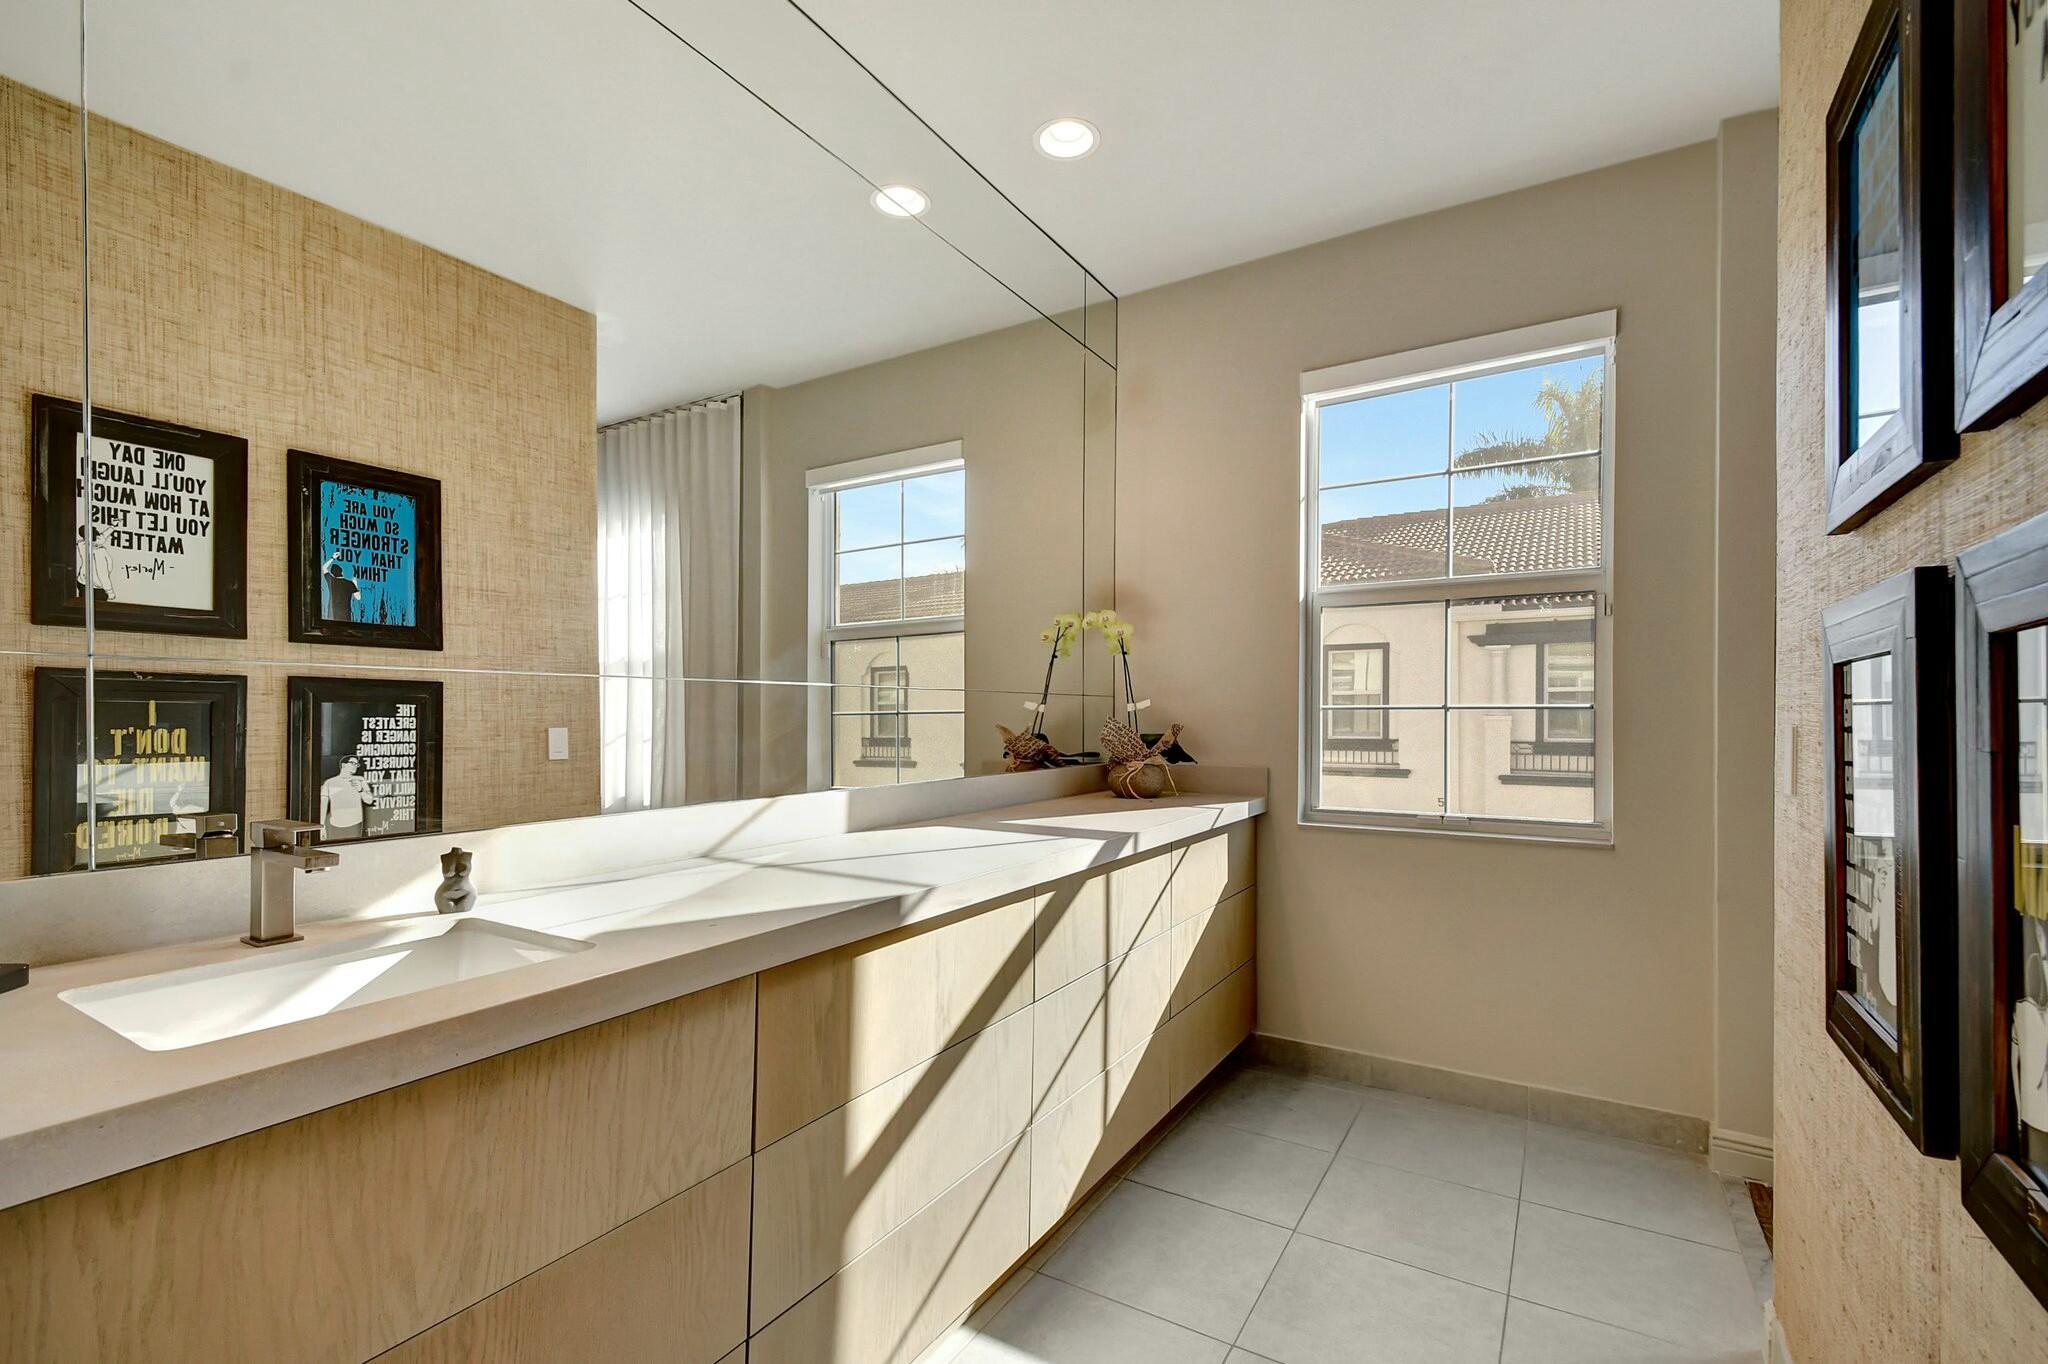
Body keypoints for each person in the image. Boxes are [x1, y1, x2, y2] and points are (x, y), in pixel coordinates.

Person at [318, 754, 375, 840]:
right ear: (343, 765)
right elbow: (323, 805)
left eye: (357, 764)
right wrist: (322, 827)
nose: (355, 766)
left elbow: (369, 801)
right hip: (335, 825)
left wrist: (360, 790)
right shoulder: (330, 782)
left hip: (355, 824)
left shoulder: (360, 780)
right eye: (352, 763)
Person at [74, 526, 115, 604]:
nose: (99, 536)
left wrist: (113, 526)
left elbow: (102, 537)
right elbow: (102, 574)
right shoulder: (99, 551)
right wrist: (110, 592)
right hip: (96, 588)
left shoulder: (82, 544)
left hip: (83, 582)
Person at [321, 551, 361, 622]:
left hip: (332, 614)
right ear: (342, 572)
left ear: (333, 574)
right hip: (346, 615)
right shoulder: (350, 583)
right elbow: (358, 597)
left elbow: (324, 568)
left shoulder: (332, 581)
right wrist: (355, 583)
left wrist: (333, 558)